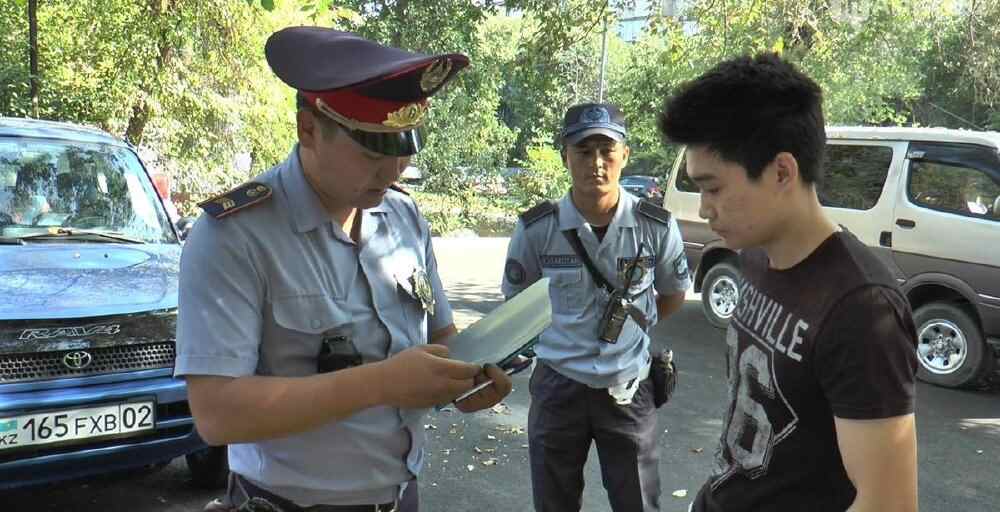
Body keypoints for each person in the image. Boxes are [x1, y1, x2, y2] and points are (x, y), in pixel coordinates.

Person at [175, 27, 513, 512]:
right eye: (373, 153)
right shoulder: (234, 237)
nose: (392, 172)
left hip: (401, 496)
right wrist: (381, 383)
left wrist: (466, 380)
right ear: (308, 128)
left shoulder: (403, 217)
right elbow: (216, 413)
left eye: (402, 151)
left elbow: (440, 336)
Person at [658, 53, 919, 512]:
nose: (703, 209)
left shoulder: (862, 308)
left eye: (713, 188)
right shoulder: (756, 256)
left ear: (782, 171)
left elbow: (888, 503)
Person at [502, 102, 691, 512]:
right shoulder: (538, 228)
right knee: (554, 503)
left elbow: (673, 295)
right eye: (584, 151)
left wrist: (631, 331)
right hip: (557, 387)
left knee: (637, 502)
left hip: (628, 386)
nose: (597, 163)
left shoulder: (654, 226)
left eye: (607, 151)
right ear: (565, 156)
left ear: (625, 154)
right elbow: (517, 306)